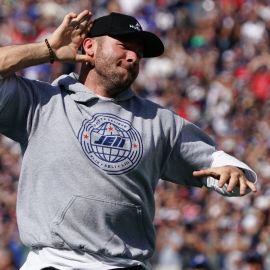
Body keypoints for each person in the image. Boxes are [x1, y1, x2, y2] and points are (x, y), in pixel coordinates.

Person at [0, 9, 257, 270]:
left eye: (139, 52)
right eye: (124, 46)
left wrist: (231, 169)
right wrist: (48, 49)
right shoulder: (41, 102)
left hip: (125, 264)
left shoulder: (159, 121)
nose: (133, 56)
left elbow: (215, 161)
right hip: (53, 262)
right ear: (89, 47)